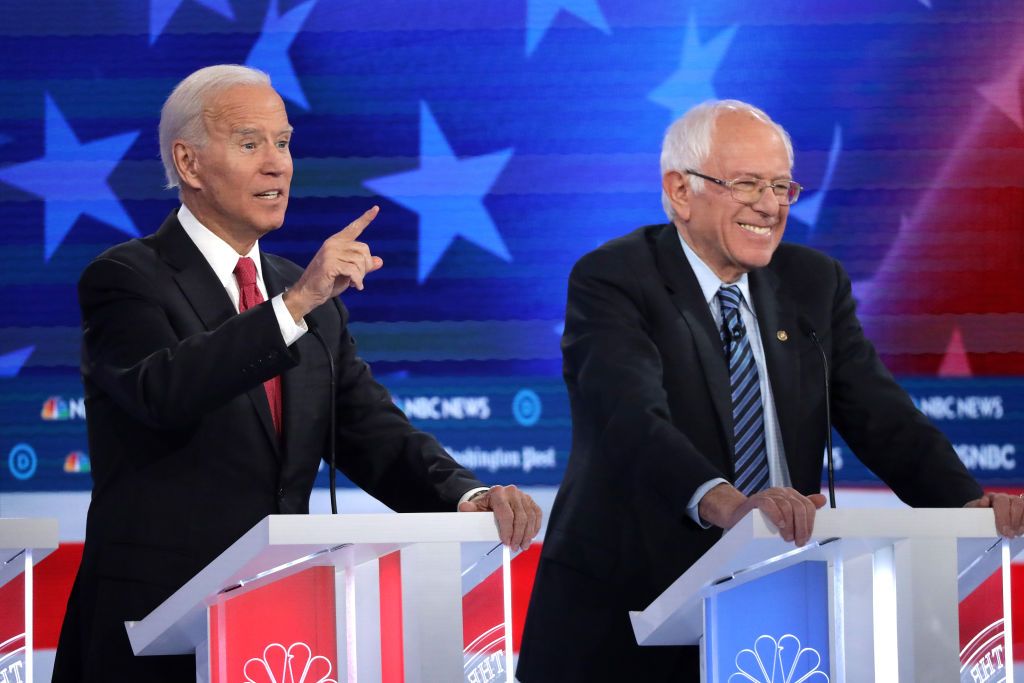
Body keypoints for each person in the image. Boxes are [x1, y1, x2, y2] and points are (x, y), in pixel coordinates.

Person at [52, 64, 542, 682]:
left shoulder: (300, 294)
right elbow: (164, 390)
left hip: (278, 637)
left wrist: (465, 497)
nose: (278, 164)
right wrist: (292, 309)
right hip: (151, 637)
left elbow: (371, 432)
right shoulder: (126, 278)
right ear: (190, 163)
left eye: (283, 143)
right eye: (249, 142)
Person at [516, 99, 1024, 681]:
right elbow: (627, 417)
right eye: (748, 184)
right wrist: (733, 506)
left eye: (783, 186)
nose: (770, 205)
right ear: (681, 191)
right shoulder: (615, 278)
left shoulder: (813, 282)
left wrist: (965, 506)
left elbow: (882, 416)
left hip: (779, 616)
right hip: (625, 610)